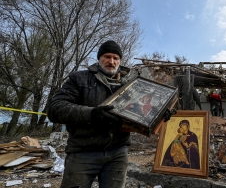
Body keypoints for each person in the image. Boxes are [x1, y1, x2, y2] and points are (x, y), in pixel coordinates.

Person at [47, 40, 172, 188]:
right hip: (83, 151)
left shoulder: (132, 86)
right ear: (99, 58)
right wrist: (92, 113)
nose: (111, 61)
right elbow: (55, 108)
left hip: (118, 153)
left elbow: (140, 114)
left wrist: (159, 114)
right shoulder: (79, 78)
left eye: (116, 58)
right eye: (107, 57)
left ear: (120, 61)